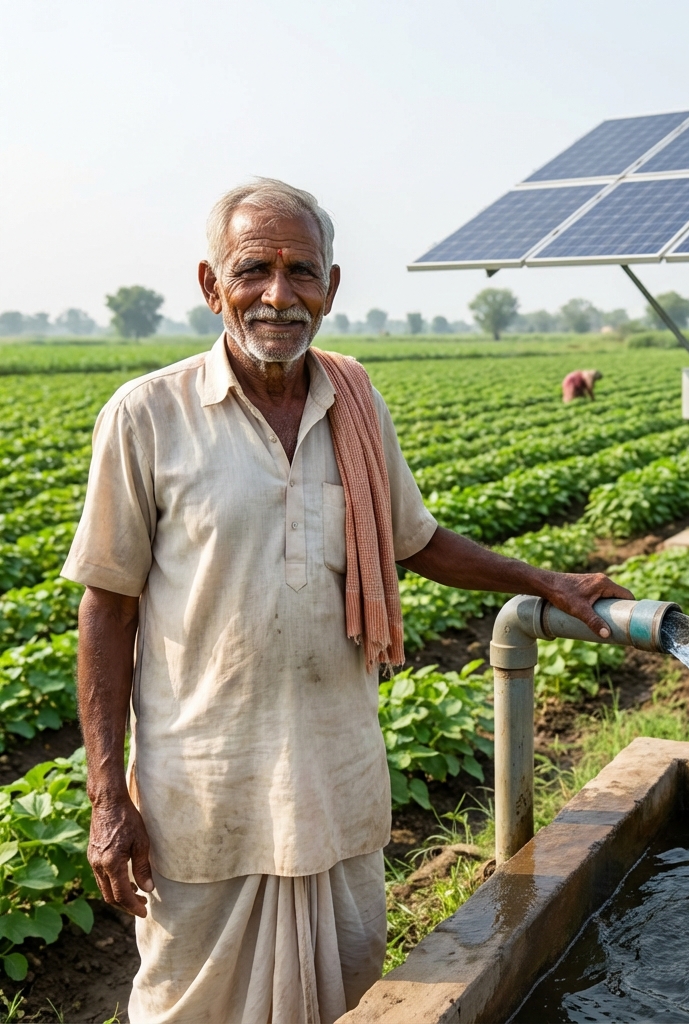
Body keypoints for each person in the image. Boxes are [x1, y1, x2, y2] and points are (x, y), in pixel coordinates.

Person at [64, 178, 631, 1024]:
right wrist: (109, 799)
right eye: (254, 269)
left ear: (332, 287)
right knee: (190, 999)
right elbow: (106, 609)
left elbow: (417, 542)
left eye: (303, 273)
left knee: (348, 985)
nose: (279, 296)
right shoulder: (148, 416)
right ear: (211, 285)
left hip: (335, 769)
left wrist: (546, 581)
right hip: (205, 784)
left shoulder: (354, 405)